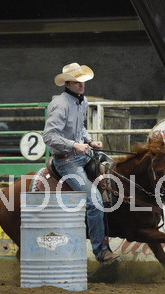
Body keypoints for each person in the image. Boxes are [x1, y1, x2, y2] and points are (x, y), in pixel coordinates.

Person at [42, 62, 119, 264]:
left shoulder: (82, 101)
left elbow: (80, 127)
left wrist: (90, 141)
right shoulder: (60, 105)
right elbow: (49, 136)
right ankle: (100, 250)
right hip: (67, 162)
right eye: (76, 81)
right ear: (67, 84)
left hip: (83, 155)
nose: (81, 84)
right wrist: (74, 145)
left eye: (82, 81)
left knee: (117, 173)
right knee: (95, 201)